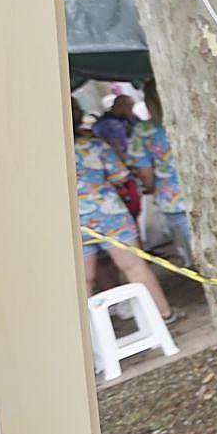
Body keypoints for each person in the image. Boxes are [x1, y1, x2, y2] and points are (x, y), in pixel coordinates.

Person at [73, 113, 175, 322]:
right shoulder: (93, 145)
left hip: (70, 222)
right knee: (135, 266)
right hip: (109, 214)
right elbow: (120, 176)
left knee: (81, 282)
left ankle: (89, 335)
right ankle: (163, 314)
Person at [126, 83, 195, 270]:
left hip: (173, 198)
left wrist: (151, 188)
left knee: (194, 246)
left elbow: (144, 172)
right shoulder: (194, 117)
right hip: (209, 190)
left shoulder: (143, 130)